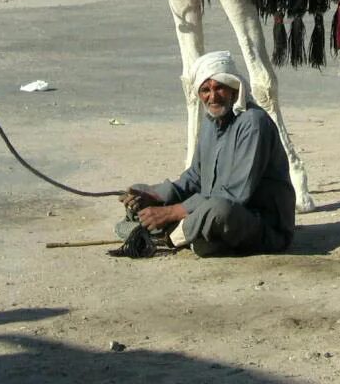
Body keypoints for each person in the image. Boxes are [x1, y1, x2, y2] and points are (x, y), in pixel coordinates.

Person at [114, 51, 296, 258]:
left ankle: (165, 238)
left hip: (261, 223)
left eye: (220, 88)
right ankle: (187, 233)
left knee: (219, 210)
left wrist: (172, 212)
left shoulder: (253, 124)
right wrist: (154, 196)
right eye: (205, 90)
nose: (213, 96)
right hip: (208, 209)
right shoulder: (211, 122)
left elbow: (235, 195)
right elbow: (194, 178)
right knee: (140, 192)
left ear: (234, 90)